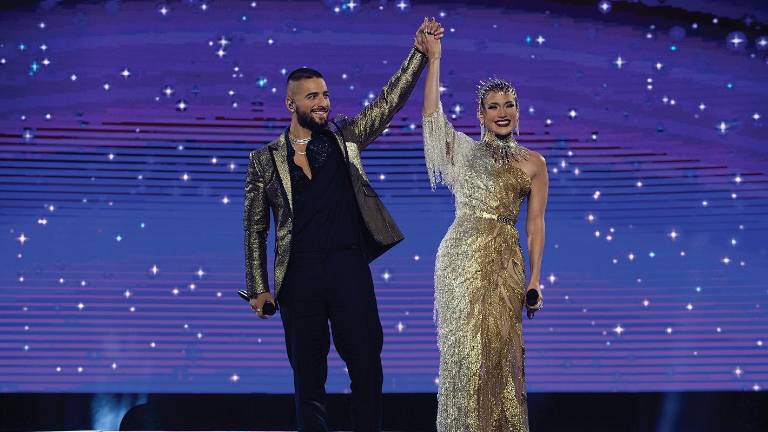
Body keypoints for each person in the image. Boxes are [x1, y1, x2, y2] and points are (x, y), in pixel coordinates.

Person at [243, 19, 443, 432]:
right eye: (313, 96)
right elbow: (255, 228)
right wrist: (259, 286)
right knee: (308, 375)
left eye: (326, 95)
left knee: (366, 365)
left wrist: (419, 54)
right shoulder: (263, 160)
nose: (323, 103)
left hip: (348, 268)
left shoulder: (344, 137)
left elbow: (388, 102)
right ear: (291, 103)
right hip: (298, 275)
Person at [419, 19, 549, 432]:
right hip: (461, 258)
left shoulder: (534, 164)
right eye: (493, 106)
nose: (502, 113)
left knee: (500, 353)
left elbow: (535, 225)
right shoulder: (464, 152)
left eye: (508, 105)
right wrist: (434, 59)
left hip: (505, 262)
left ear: (518, 111)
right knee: (465, 356)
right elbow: (432, 118)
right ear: (481, 114)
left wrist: (535, 279)